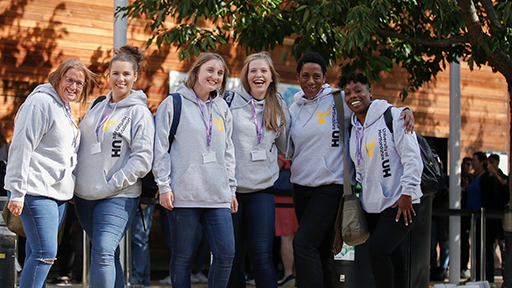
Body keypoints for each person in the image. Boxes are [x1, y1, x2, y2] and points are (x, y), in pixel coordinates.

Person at [287, 53, 414, 288]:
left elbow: (369, 105)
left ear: (325, 77)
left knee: (303, 244)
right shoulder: (294, 108)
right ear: (298, 77)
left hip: (330, 186)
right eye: (305, 76)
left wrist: (404, 110)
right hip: (301, 186)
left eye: (317, 76)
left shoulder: (338, 100)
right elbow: (289, 148)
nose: (311, 81)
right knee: (321, 249)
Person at [4, 58, 97, 288]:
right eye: (70, 80)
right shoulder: (40, 103)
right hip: (36, 190)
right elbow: (21, 146)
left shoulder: (63, 108)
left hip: (58, 195)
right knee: (45, 253)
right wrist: (16, 191)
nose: (74, 87)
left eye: (80, 83)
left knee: (38, 254)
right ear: (58, 77)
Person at [153, 52, 237, 288]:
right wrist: (164, 186)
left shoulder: (222, 108)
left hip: (218, 195)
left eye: (220, 73)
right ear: (197, 72)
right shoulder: (174, 103)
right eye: (210, 70)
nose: (215, 76)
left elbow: (228, 151)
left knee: (226, 253)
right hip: (184, 195)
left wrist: (231, 189)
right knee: (183, 258)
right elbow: (159, 149)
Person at [74, 45, 154, 288]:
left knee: (103, 251)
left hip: (118, 195)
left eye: (126, 74)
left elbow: (142, 159)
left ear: (135, 77)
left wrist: (113, 183)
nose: (121, 79)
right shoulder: (97, 105)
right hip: (84, 197)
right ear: (108, 75)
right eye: (116, 73)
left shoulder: (139, 112)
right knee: (108, 255)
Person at [340, 71, 423, 288]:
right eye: (347, 93)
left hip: (400, 201)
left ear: (370, 92)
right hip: (372, 205)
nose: (352, 96)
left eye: (358, 90)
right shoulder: (353, 127)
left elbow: (412, 157)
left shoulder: (394, 116)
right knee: (395, 257)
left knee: (378, 251)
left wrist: (407, 193)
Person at [225, 51, 289, 288]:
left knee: (262, 256)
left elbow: (286, 147)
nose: (258, 74)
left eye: (263, 70)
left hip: (263, 191)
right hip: (232, 193)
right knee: (233, 257)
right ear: (246, 75)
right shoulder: (229, 101)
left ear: (271, 77)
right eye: (253, 70)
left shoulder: (279, 104)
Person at [466, 151, 500, 283]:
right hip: (474, 217)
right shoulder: (474, 177)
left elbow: (490, 197)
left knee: (487, 247)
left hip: (484, 218)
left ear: (481, 162)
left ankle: (488, 277)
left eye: (474, 161)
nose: (473, 163)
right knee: (476, 247)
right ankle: (477, 274)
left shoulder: (488, 177)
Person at [274, 156, 297, 287]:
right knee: (299, 238)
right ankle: (298, 273)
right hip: (300, 192)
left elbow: (277, 166)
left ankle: (289, 274)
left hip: (283, 197)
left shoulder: (283, 144)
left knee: (287, 237)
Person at [430, 160, 450, 281]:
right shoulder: (429, 178)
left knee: (444, 244)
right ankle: (434, 267)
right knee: (431, 246)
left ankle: (443, 268)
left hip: (444, 218)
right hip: (432, 217)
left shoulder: (447, 180)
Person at [460, 156, 473, 279]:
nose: (465, 167)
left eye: (468, 164)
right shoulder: (455, 178)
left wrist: (468, 187)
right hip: (455, 214)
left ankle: (464, 267)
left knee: (465, 242)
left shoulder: (472, 179)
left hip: (467, 216)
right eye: (464, 164)